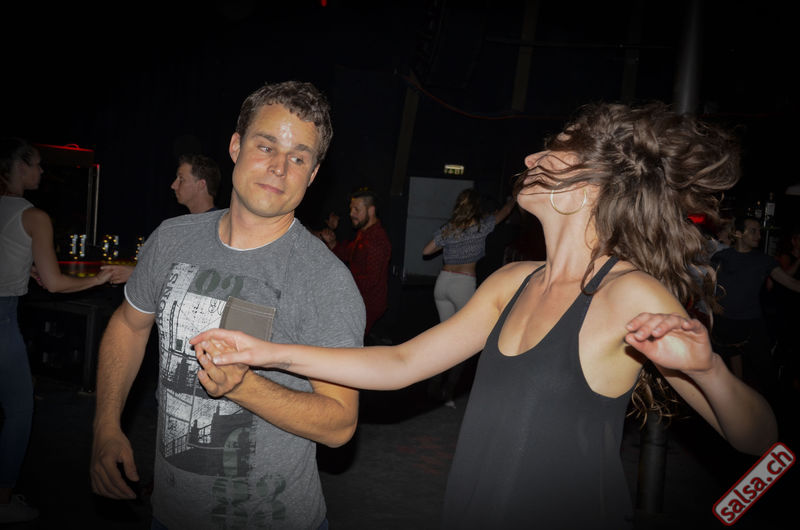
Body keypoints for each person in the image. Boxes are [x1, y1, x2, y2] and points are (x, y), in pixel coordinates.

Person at [193, 102, 779, 530]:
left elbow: (760, 440)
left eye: (553, 151)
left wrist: (709, 371)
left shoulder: (627, 295)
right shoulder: (510, 281)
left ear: (586, 189)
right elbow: (400, 363)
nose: (530, 157)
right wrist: (267, 354)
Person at [89, 81, 365, 530]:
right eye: (266, 146)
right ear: (236, 146)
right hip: (170, 515)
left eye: (298, 158)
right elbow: (129, 325)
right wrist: (105, 425)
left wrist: (243, 387)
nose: (279, 168)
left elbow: (339, 424)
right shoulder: (172, 238)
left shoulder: (325, 280)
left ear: (313, 174)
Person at [0, 138, 111, 524]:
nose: (42, 171)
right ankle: (3, 501)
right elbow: (56, 283)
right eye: (37, 164)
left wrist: (22, 268)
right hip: (1, 320)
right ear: (21, 167)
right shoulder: (34, 216)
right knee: (19, 410)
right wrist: (99, 279)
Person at [422, 189, 515, 407]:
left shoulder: (449, 228)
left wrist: (449, 239)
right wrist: (513, 198)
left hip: (443, 283)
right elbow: (505, 212)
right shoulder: (482, 226)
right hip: (463, 285)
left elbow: (427, 251)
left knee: (445, 337)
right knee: (464, 343)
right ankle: (449, 392)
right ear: (477, 207)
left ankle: (434, 381)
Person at [711, 216, 800, 397]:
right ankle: (738, 399)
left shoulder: (763, 260)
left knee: (766, 371)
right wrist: (712, 303)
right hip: (726, 322)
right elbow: (707, 285)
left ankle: (774, 406)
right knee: (721, 371)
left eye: (759, 231)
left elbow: (791, 282)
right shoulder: (721, 257)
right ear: (738, 233)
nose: (759, 235)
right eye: (753, 231)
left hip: (752, 323)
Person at [101, 154, 223, 285]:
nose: (173, 185)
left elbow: (203, 278)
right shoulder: (183, 226)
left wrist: (137, 273)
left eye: (181, 179)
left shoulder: (218, 230)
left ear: (201, 185)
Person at [322, 188, 391, 337]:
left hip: (367, 304)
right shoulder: (365, 233)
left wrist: (340, 283)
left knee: (345, 340)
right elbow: (351, 253)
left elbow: (370, 280)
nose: (351, 213)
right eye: (351, 209)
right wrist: (333, 244)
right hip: (358, 300)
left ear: (371, 210)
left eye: (356, 209)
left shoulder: (376, 241)